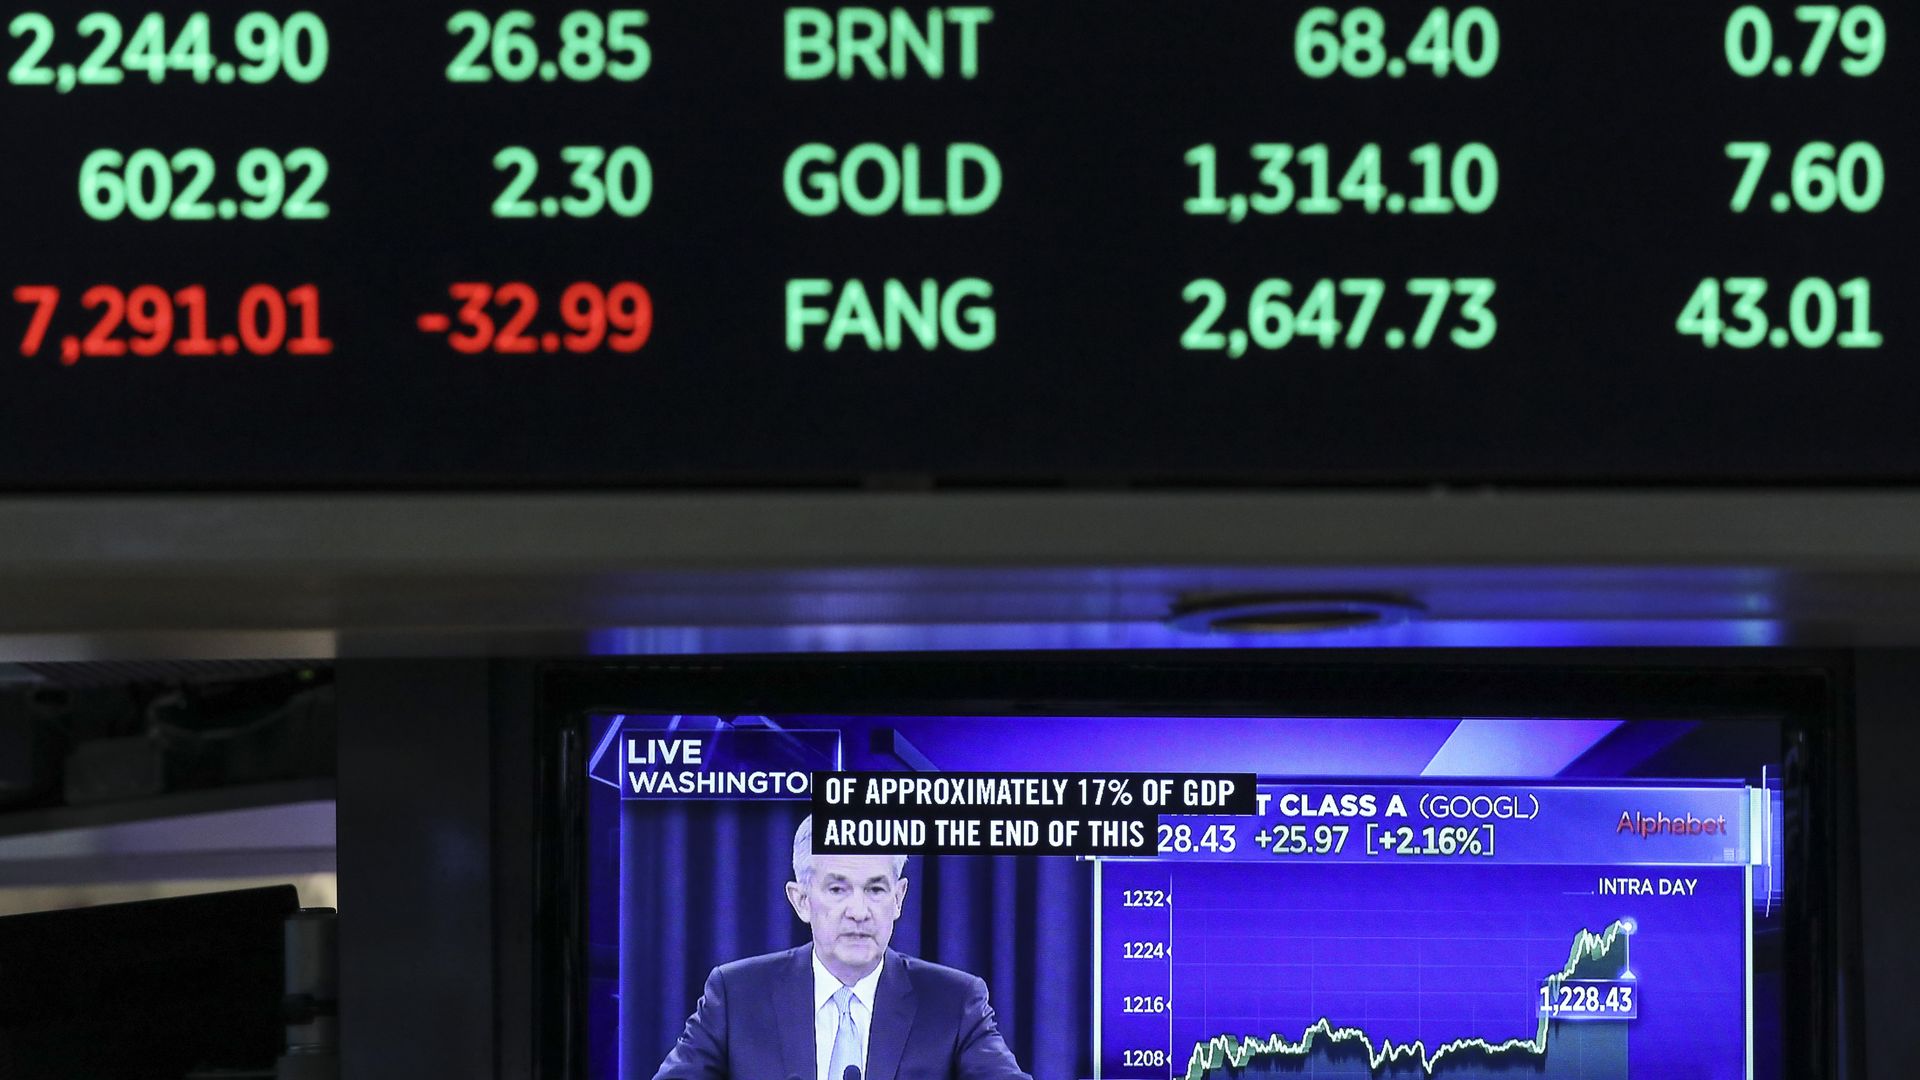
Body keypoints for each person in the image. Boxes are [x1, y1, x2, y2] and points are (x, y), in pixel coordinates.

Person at [651, 816, 1031, 1080]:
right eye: (837, 889)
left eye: (875, 889)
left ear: (898, 898)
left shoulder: (953, 1001)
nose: (858, 912)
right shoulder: (736, 995)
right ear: (800, 900)